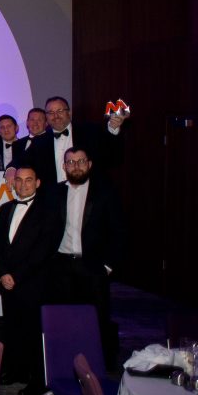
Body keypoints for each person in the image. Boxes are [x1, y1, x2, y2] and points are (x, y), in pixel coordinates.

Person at [46, 148, 124, 366]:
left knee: (97, 319)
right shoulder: (54, 193)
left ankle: (99, 367)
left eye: (80, 161)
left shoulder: (105, 193)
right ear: (64, 166)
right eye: (71, 162)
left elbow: (119, 231)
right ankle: (64, 365)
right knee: (63, 319)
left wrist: (108, 266)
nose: (76, 166)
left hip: (93, 266)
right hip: (61, 266)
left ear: (89, 164)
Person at [0, 165, 59, 395]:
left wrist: (17, 276)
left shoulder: (48, 211)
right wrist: (3, 274)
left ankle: (37, 380)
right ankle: (15, 371)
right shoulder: (6, 209)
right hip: (8, 283)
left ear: (37, 183)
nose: (23, 184)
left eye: (28, 180)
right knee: (13, 329)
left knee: (34, 332)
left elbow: (43, 250)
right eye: (19, 180)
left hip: (33, 283)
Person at [15, 95, 125, 190]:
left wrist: (113, 129)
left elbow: (112, 154)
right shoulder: (39, 141)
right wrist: (10, 170)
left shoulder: (90, 131)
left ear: (69, 112)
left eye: (60, 111)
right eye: (51, 113)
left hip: (89, 195)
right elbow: (21, 160)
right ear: (46, 117)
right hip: (54, 199)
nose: (56, 116)